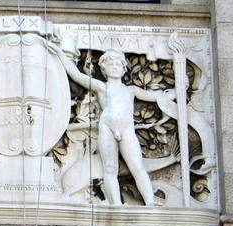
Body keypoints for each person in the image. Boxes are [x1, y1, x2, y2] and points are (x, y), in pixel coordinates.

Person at [51, 45, 173, 206]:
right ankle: (116, 205)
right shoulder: (102, 87)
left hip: (126, 129)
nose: (115, 67)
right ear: (103, 69)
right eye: (111, 64)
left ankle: (150, 202)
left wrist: (179, 90)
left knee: (137, 166)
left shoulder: (131, 90)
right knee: (110, 169)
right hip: (107, 128)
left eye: (118, 64)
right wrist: (59, 52)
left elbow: (157, 96)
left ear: (124, 69)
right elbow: (76, 75)